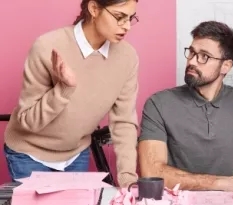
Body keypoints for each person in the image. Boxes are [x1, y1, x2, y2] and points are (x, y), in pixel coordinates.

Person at [3, 0, 140, 188]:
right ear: (94, 9)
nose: (126, 26)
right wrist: (64, 89)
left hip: (75, 153)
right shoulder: (47, 46)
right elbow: (28, 121)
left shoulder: (127, 57)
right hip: (29, 152)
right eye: (119, 17)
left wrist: (128, 179)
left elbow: (124, 122)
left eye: (130, 18)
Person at [137, 21, 233, 192]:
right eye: (191, 52)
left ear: (226, 66)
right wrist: (225, 183)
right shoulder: (158, 104)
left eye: (204, 56)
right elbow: (152, 172)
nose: (192, 61)